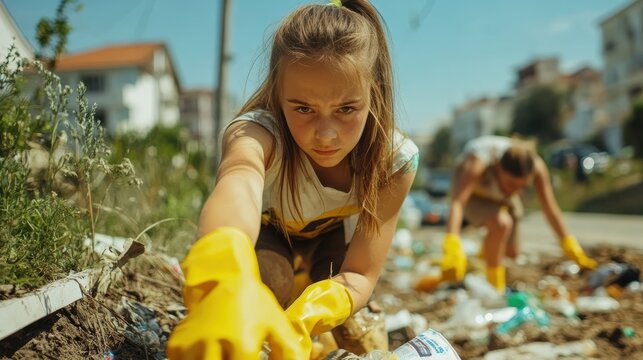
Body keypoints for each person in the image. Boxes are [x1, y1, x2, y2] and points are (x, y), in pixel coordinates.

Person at [166, 1, 419, 359]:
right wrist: (220, 277)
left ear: (373, 94)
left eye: (347, 109)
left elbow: (361, 274)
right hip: (270, 234)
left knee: (356, 331)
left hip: (331, 243)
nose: (326, 135)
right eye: (303, 108)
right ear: (277, 95)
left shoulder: (393, 161)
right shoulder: (256, 134)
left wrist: (304, 319)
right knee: (271, 283)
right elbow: (238, 179)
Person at [440, 135, 597, 294]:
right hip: (475, 193)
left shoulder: (536, 166)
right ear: (499, 168)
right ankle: (495, 286)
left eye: (522, 186)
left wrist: (569, 244)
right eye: (511, 184)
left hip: (497, 191)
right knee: (501, 224)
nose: (514, 191)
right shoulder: (477, 161)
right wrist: (452, 243)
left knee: (512, 252)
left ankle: (482, 259)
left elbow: (550, 208)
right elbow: (457, 203)